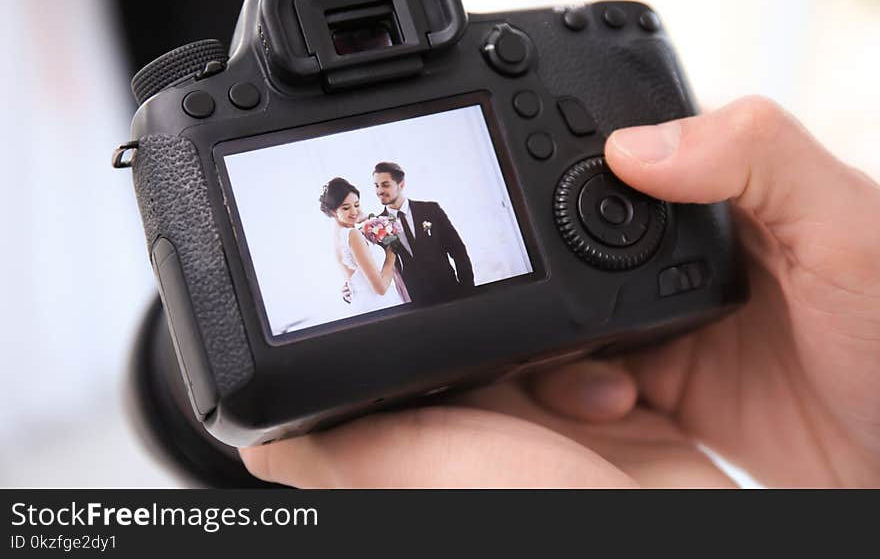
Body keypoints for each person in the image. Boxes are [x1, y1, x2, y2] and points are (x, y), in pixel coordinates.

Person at [247, 97, 880, 488]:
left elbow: (460, 253)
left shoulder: (429, 207)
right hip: (419, 317)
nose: (368, 204)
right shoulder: (364, 239)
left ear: (393, 185)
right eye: (358, 202)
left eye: (374, 194)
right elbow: (385, 281)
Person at [371, 161, 474, 305]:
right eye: (376, 185)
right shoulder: (376, 226)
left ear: (401, 185)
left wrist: (468, 289)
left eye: (385, 185)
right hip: (414, 302)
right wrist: (351, 288)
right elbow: (372, 265)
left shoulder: (430, 210)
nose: (379, 191)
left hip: (451, 293)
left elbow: (458, 250)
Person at [320, 177, 404, 314]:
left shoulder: (338, 236)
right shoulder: (352, 234)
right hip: (380, 306)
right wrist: (391, 252)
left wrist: (365, 220)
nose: (354, 211)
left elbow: (356, 279)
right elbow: (381, 288)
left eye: (357, 205)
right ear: (333, 211)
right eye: (346, 208)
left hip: (365, 306)